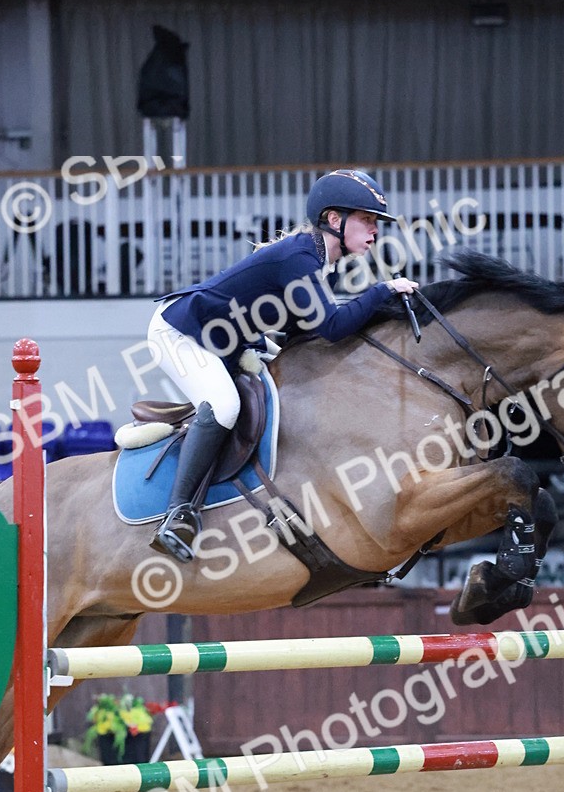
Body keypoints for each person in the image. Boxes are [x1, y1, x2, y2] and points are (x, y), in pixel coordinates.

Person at [146, 168, 418, 562]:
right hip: (179, 333)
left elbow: (305, 329)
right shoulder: (300, 257)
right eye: (367, 220)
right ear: (335, 220)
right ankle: (177, 515)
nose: (375, 231)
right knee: (224, 406)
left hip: (220, 340)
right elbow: (331, 326)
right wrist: (383, 290)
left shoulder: (316, 259)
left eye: (376, 223)